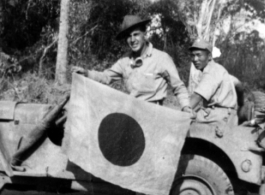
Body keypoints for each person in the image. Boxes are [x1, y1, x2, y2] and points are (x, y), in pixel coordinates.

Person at [72, 15, 191, 112]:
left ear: (144, 34)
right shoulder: (124, 61)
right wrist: (86, 73)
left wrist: (186, 107)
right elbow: (106, 76)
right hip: (130, 114)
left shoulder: (161, 59)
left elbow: (178, 87)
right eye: (129, 36)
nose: (132, 40)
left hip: (154, 117)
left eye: (136, 34)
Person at [189, 39, 238, 128]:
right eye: (192, 55)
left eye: (198, 55)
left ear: (209, 56)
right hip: (222, 114)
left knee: (181, 124)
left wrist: (181, 111)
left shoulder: (212, 70)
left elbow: (197, 97)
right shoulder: (212, 68)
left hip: (218, 116)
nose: (195, 59)